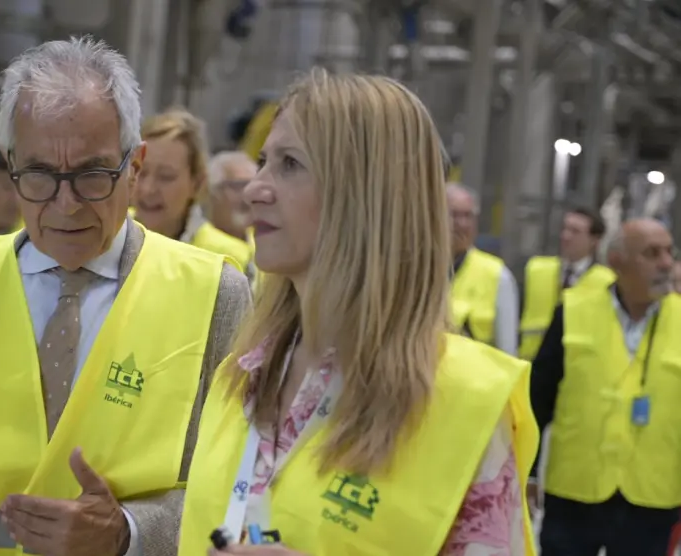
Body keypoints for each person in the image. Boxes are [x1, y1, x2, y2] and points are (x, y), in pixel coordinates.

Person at [0, 37, 252, 556]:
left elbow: (237, 485)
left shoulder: (214, 295)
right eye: (39, 175)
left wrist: (128, 531)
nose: (66, 204)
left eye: (92, 175)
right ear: (10, 165)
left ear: (134, 166)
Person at [178, 69, 538, 556]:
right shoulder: (241, 377)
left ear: (364, 195)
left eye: (290, 164)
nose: (255, 189)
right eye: (264, 161)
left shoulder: (460, 403)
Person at [530, 218, 680, 556]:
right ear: (617, 260)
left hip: (652, 496)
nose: (667, 263)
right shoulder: (572, 311)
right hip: (575, 490)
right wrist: (528, 472)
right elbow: (537, 400)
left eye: (670, 252)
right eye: (652, 253)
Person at [132, 108, 254, 277]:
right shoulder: (108, 235)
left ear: (197, 183)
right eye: (140, 172)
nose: (148, 188)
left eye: (166, 177)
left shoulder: (231, 260)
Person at [518, 207, 616, 360]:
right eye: (565, 229)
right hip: (531, 364)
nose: (566, 236)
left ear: (594, 241)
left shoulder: (606, 281)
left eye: (575, 231)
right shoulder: (536, 269)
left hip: (576, 368)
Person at [447, 183, 520, 355]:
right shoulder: (417, 272)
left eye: (468, 216)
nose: (462, 224)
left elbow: (507, 353)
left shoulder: (497, 275)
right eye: (454, 215)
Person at [206, 151, 257, 243]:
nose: (247, 195)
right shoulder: (195, 244)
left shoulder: (268, 243)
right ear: (213, 192)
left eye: (253, 186)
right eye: (237, 186)